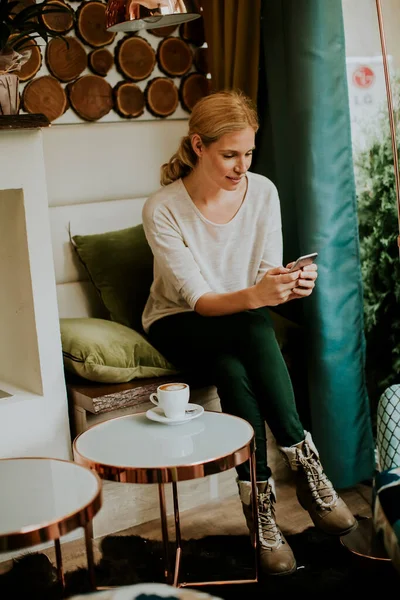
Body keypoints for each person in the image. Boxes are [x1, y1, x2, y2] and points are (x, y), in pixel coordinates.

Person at [141, 89, 357, 577]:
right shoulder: (163, 209)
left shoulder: (263, 192)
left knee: (233, 365)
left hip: (240, 325)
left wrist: (291, 285)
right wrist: (262, 295)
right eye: (230, 155)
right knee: (252, 326)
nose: (243, 166)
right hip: (180, 322)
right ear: (198, 145)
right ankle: (305, 462)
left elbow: (264, 274)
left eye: (249, 154)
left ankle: (260, 515)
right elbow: (199, 300)